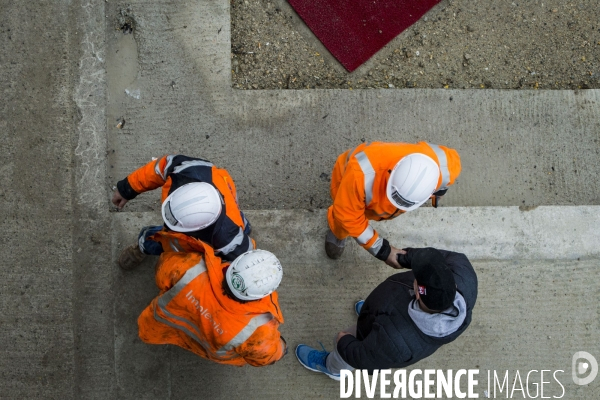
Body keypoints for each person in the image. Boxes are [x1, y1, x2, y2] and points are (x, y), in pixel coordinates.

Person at [295, 247, 477, 380]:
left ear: (418, 292)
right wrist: (405, 258)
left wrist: (344, 342)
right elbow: (438, 258)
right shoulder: (464, 274)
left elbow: (364, 358)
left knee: (347, 348)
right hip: (383, 314)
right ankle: (370, 315)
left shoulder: (395, 343)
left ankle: (333, 368)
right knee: (371, 317)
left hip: (376, 338)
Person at [138, 237, 287, 366]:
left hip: (162, 327)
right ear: (263, 294)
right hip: (207, 349)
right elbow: (266, 355)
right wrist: (281, 347)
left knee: (151, 331)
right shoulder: (259, 332)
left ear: (234, 264)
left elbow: (161, 273)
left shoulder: (189, 267)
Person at [325, 142, 461, 269]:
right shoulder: (360, 176)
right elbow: (348, 216)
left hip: (369, 195)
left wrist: (440, 190)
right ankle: (338, 233)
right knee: (342, 218)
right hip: (345, 180)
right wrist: (383, 251)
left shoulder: (445, 166)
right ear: (393, 172)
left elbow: (449, 172)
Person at [112, 155, 254, 269]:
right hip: (229, 212)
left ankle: (143, 246)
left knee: (157, 240)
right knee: (238, 222)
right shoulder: (189, 169)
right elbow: (160, 167)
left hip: (224, 231)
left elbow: (243, 258)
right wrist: (128, 188)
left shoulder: (226, 240)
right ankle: (244, 226)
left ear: (198, 228)